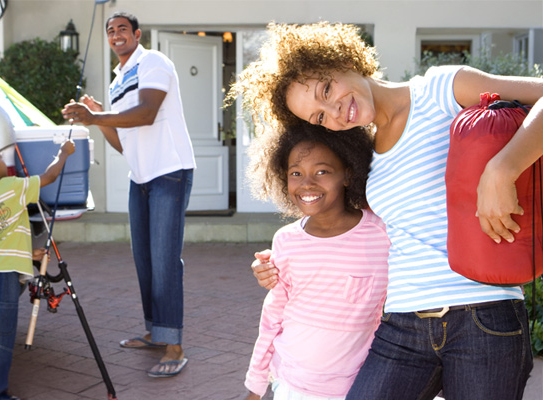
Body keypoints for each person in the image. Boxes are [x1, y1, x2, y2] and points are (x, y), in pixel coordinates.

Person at [228, 22, 543, 399]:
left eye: (326, 90)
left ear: (344, 59)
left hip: (483, 313)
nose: (334, 112)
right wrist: (277, 261)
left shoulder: (441, 88)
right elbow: (345, 227)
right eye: (319, 117)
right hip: (402, 324)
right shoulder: (365, 156)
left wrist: (502, 169)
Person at [61, 11, 195, 378]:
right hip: (141, 177)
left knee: (165, 259)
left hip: (170, 170)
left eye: (122, 28)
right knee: (145, 260)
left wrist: (96, 116)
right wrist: (96, 115)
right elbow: (122, 140)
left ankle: (174, 345)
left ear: (136, 34)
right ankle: (155, 331)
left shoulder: (153, 61)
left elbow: (147, 114)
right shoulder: (118, 79)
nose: (116, 34)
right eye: (110, 30)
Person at [242, 122, 389, 400]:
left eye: (322, 171)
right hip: (291, 385)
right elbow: (273, 317)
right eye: (296, 173)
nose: (307, 183)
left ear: (348, 173)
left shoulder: (381, 235)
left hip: (357, 386)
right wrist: (256, 384)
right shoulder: (286, 241)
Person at [0, 141, 75, 400]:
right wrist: (63, 153)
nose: (4, 162)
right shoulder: (12, 187)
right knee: (0, 335)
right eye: (0, 158)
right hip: (4, 275)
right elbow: (49, 176)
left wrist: (27, 254)